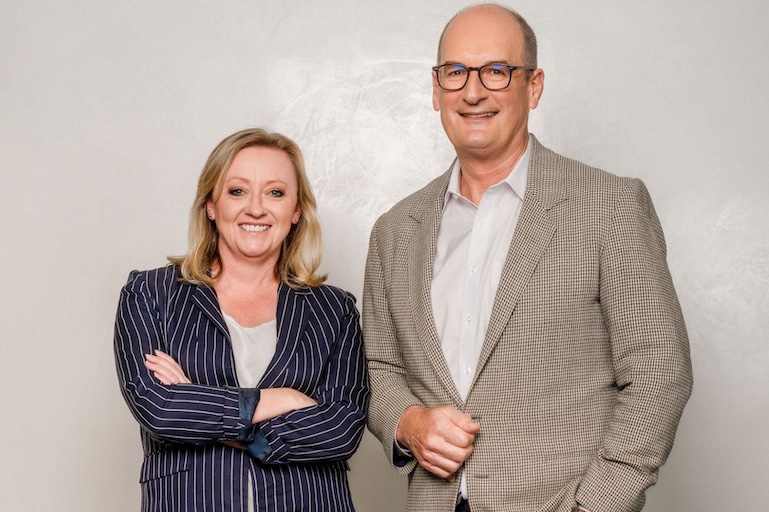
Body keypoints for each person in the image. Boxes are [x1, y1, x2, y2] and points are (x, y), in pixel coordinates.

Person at [363, 4, 693, 512]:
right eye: (455, 72)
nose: (473, 92)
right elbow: (380, 368)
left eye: (496, 71)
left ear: (533, 86)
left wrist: (596, 505)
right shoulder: (394, 231)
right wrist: (407, 422)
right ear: (436, 89)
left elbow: (659, 371)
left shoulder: (609, 205)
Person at [114, 128, 369, 511]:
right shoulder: (150, 294)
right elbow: (159, 407)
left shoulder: (335, 309)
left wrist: (199, 404)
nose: (256, 208)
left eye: (275, 192)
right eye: (237, 191)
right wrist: (284, 399)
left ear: (296, 210)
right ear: (211, 205)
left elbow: (342, 428)